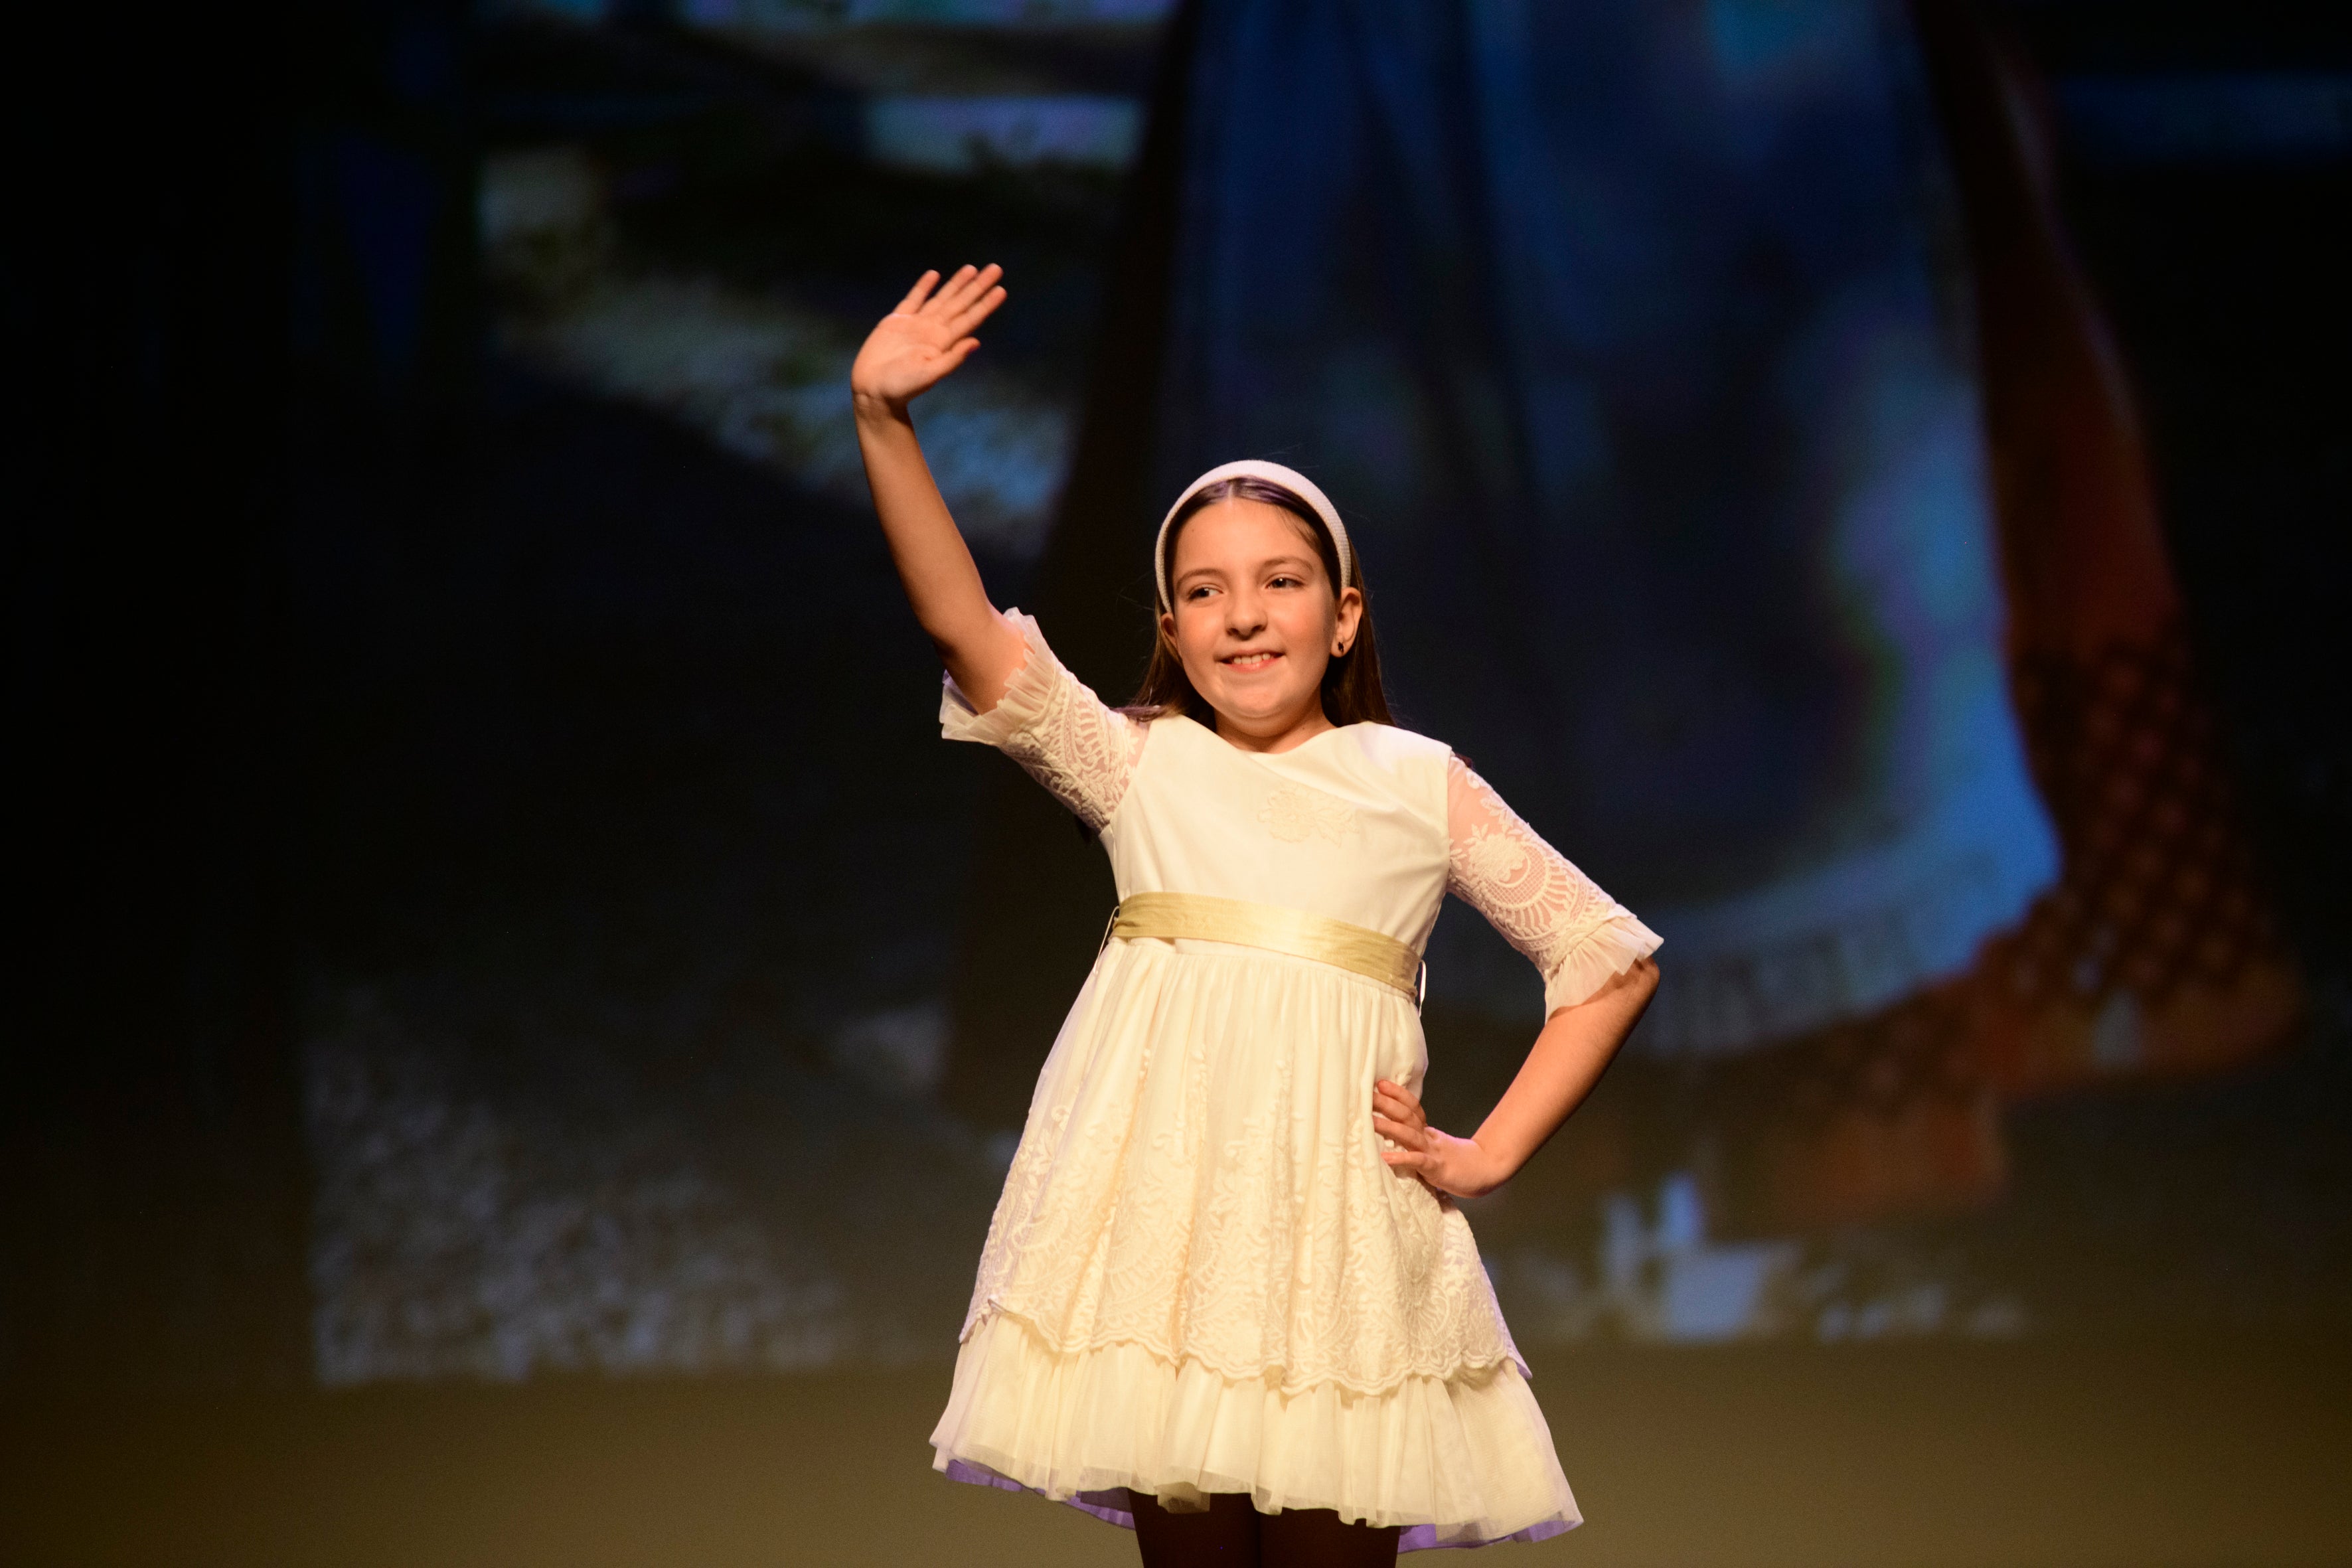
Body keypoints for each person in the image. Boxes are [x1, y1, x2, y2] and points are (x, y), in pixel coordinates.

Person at [853, 264, 1662, 1562]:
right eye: (1206, 589)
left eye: (1280, 581)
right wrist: (883, 423)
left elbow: (1603, 957)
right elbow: (961, 624)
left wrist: (1492, 1149)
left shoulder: (1411, 781)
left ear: (1342, 616)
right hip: (1167, 1247)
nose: (1243, 614)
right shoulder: (1132, 758)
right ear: (1170, 624)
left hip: (1344, 1251)